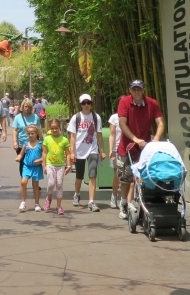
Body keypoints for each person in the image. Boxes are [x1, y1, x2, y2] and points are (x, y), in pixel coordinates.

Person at [116, 79, 165, 220]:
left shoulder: (152, 103)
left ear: (143, 90)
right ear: (130, 90)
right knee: (126, 178)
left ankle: (145, 203)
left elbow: (160, 123)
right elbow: (122, 123)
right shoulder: (125, 102)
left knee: (145, 176)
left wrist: (155, 139)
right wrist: (135, 139)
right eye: (134, 89)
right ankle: (124, 203)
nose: (136, 92)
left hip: (146, 146)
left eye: (139, 89)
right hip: (127, 146)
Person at [68, 94, 105, 212]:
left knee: (92, 174)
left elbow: (99, 135)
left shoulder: (96, 117)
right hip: (79, 150)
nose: (86, 105)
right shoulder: (76, 117)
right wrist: (72, 152)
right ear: (80, 104)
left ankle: (91, 201)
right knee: (79, 175)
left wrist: (102, 150)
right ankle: (77, 193)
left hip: (93, 149)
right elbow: (72, 136)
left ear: (91, 104)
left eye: (88, 102)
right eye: (84, 103)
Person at [43, 118, 73, 215]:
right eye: (52, 128)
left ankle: (59, 206)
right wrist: (44, 165)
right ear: (50, 128)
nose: (54, 130)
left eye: (56, 128)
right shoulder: (47, 139)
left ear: (59, 128)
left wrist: (68, 165)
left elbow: (68, 154)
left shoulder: (64, 140)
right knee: (51, 183)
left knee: (59, 184)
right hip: (50, 164)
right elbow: (44, 153)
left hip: (60, 165)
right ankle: (48, 198)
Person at [17, 124, 44, 212]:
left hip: (36, 167)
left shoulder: (40, 143)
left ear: (36, 133)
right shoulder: (26, 143)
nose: (30, 135)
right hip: (27, 166)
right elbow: (21, 153)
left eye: (32, 133)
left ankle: (37, 203)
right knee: (23, 182)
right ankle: (23, 202)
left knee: (35, 185)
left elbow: (45, 155)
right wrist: (19, 157)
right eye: (29, 133)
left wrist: (41, 160)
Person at [12, 98, 42, 171]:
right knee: (23, 162)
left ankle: (34, 178)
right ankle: (24, 178)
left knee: (33, 162)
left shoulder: (35, 117)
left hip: (34, 144)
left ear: (31, 107)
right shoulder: (18, 117)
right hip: (21, 144)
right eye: (25, 106)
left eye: (28, 106)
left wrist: (42, 142)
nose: (27, 108)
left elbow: (39, 130)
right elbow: (15, 130)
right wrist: (15, 141)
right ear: (22, 107)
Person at [108, 112, 122, 210]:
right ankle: (114, 195)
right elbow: (112, 135)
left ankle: (124, 200)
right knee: (117, 174)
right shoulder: (114, 117)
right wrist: (110, 150)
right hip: (116, 149)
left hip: (129, 150)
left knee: (129, 176)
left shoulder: (132, 115)